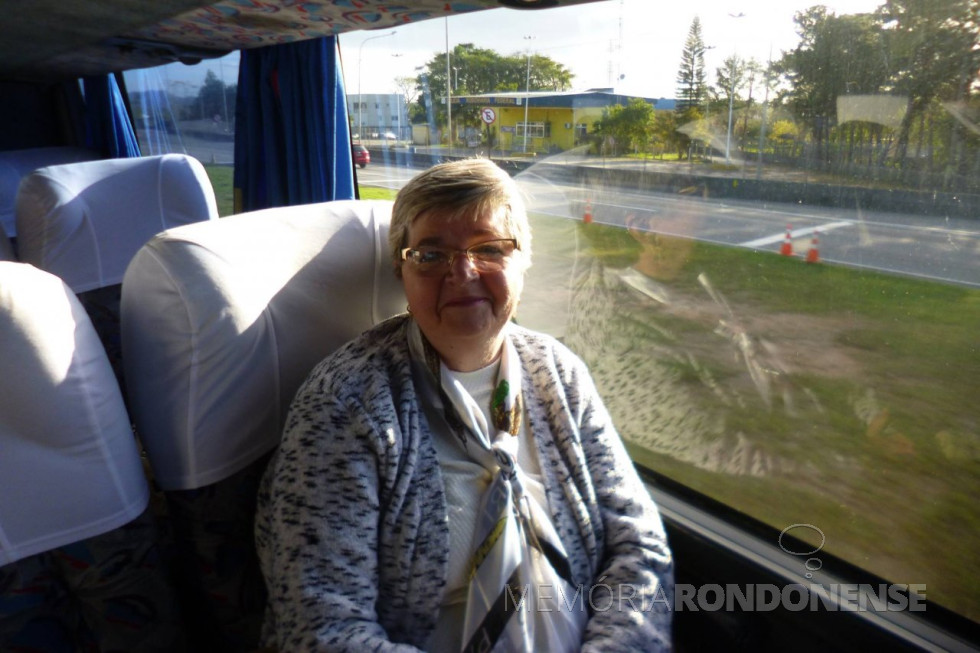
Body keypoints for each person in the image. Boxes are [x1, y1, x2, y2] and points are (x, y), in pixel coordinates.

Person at [254, 158, 673, 652]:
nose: (463, 272)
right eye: (430, 255)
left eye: (490, 248)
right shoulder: (345, 405)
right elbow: (322, 628)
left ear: (524, 260)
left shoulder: (559, 373)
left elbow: (638, 543)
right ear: (401, 272)